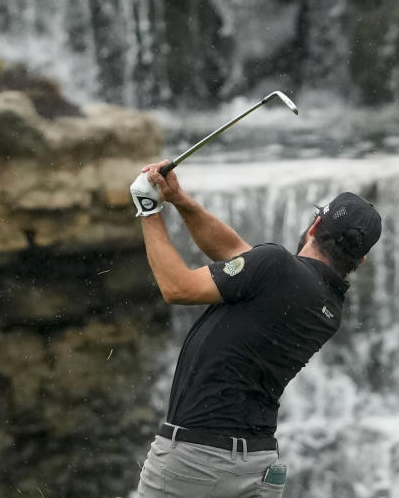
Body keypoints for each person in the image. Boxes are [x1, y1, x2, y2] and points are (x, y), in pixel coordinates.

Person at [131, 159, 382, 498]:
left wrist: (149, 210)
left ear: (314, 226)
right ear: (360, 260)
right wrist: (180, 201)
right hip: (257, 466)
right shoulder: (328, 305)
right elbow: (235, 254)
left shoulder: (275, 267)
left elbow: (178, 288)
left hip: (195, 462)